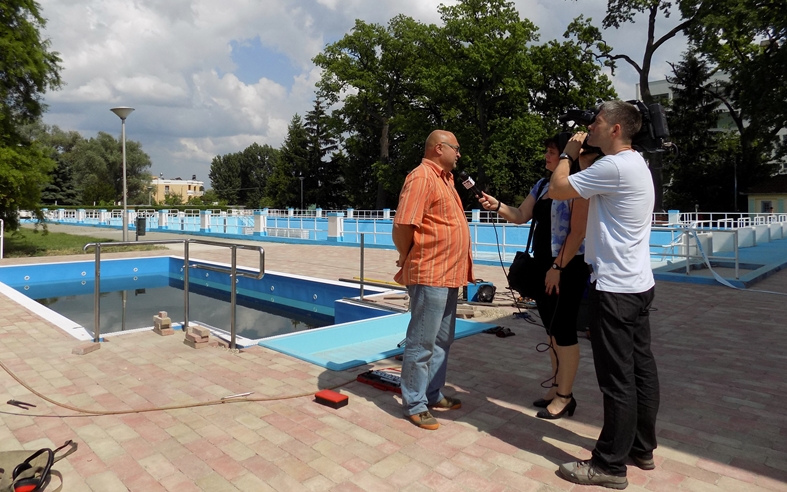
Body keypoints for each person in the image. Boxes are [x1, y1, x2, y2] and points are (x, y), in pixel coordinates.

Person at [549, 100, 660, 490]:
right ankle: (641, 448)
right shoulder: (635, 164)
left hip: (613, 289)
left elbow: (558, 188)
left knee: (617, 379)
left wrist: (567, 152)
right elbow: (587, 184)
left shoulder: (611, 166)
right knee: (641, 370)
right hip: (637, 284)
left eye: (596, 122)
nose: (590, 128)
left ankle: (609, 465)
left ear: (615, 129)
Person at [478, 135, 591, 420]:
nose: (546, 157)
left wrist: (558, 267)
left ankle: (566, 396)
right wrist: (498, 206)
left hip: (566, 268)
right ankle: (556, 386)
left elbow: (578, 233)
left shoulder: (579, 185)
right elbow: (520, 215)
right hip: (543, 268)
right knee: (552, 332)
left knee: (564, 332)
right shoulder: (542, 186)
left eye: (552, 152)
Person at [392, 130, 474, 430]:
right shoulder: (422, 177)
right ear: (439, 148)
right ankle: (414, 402)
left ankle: (431, 393)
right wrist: (406, 255)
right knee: (421, 341)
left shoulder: (446, 179)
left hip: (449, 274)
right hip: (430, 273)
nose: (459, 154)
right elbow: (403, 224)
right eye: (456, 148)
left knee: (441, 340)